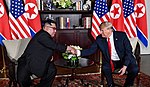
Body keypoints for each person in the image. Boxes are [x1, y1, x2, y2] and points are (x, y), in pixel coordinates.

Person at [76, 21, 139, 87]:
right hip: (111, 60)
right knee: (105, 67)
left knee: (134, 69)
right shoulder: (99, 38)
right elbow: (91, 50)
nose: (100, 32)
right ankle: (110, 84)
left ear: (109, 30)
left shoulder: (121, 36)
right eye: (100, 30)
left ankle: (128, 85)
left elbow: (128, 51)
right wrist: (78, 52)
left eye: (102, 30)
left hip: (124, 59)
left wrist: (125, 65)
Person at [17, 19, 76, 87]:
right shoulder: (42, 35)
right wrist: (69, 48)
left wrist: (50, 56)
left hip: (39, 60)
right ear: (46, 28)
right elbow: (53, 45)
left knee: (52, 70)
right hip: (27, 62)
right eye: (53, 28)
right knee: (23, 82)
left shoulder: (46, 36)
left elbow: (47, 48)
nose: (55, 31)